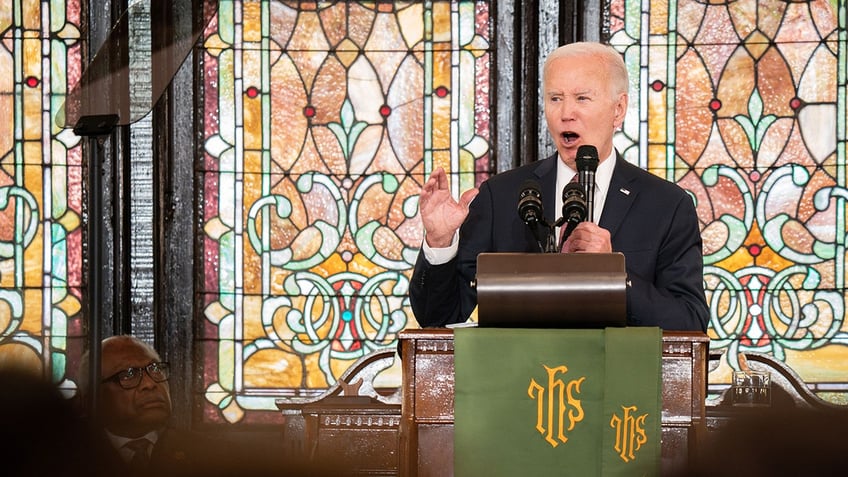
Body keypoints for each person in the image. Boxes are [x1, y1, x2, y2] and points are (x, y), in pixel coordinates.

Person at [410, 41, 708, 332]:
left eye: (582, 98)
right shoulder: (499, 196)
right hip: (522, 380)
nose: (566, 112)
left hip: (620, 377)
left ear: (618, 109)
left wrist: (614, 275)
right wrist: (440, 244)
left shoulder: (666, 205)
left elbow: (689, 321)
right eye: (555, 98)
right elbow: (438, 319)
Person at [79, 335, 280, 477]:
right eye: (128, 375)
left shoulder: (213, 457)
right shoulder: (70, 459)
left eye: (155, 370)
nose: (150, 384)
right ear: (92, 397)